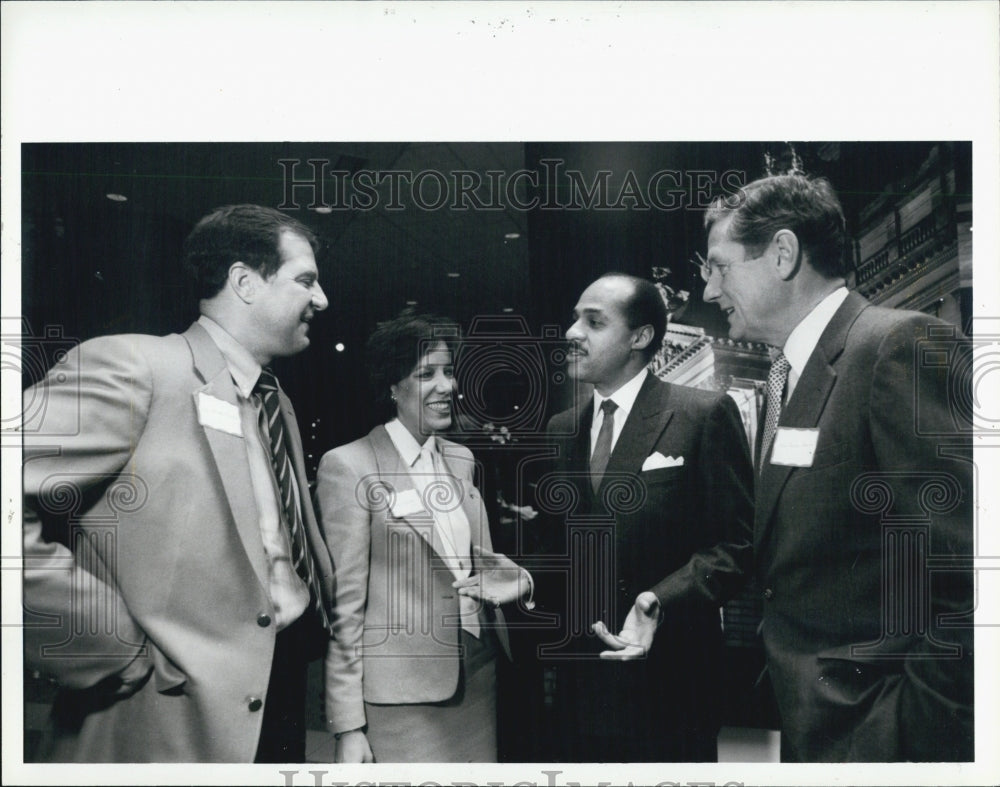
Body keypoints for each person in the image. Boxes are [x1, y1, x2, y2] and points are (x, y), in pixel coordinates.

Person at [22, 204, 334, 762]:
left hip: (278, 695)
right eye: (305, 280)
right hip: (162, 716)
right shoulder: (133, 366)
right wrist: (106, 645)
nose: (321, 299)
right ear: (243, 281)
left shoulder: (275, 402)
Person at [701, 173, 974, 761]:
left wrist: (906, 739)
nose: (707, 291)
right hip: (815, 730)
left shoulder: (895, 347)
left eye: (719, 267)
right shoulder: (787, 380)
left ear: (782, 254)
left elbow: (968, 579)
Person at [540, 273, 754, 762]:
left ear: (640, 338)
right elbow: (562, 552)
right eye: (575, 318)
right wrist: (529, 580)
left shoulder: (702, 414)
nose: (572, 333)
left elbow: (736, 547)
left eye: (593, 322)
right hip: (581, 685)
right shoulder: (560, 430)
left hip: (673, 685)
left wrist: (660, 599)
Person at [315, 311, 533, 763]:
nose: (446, 386)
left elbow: (482, 566)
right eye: (426, 374)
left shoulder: (461, 459)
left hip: (481, 674)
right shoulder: (350, 466)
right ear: (392, 387)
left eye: (449, 371)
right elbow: (345, 609)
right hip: (402, 699)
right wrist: (348, 724)